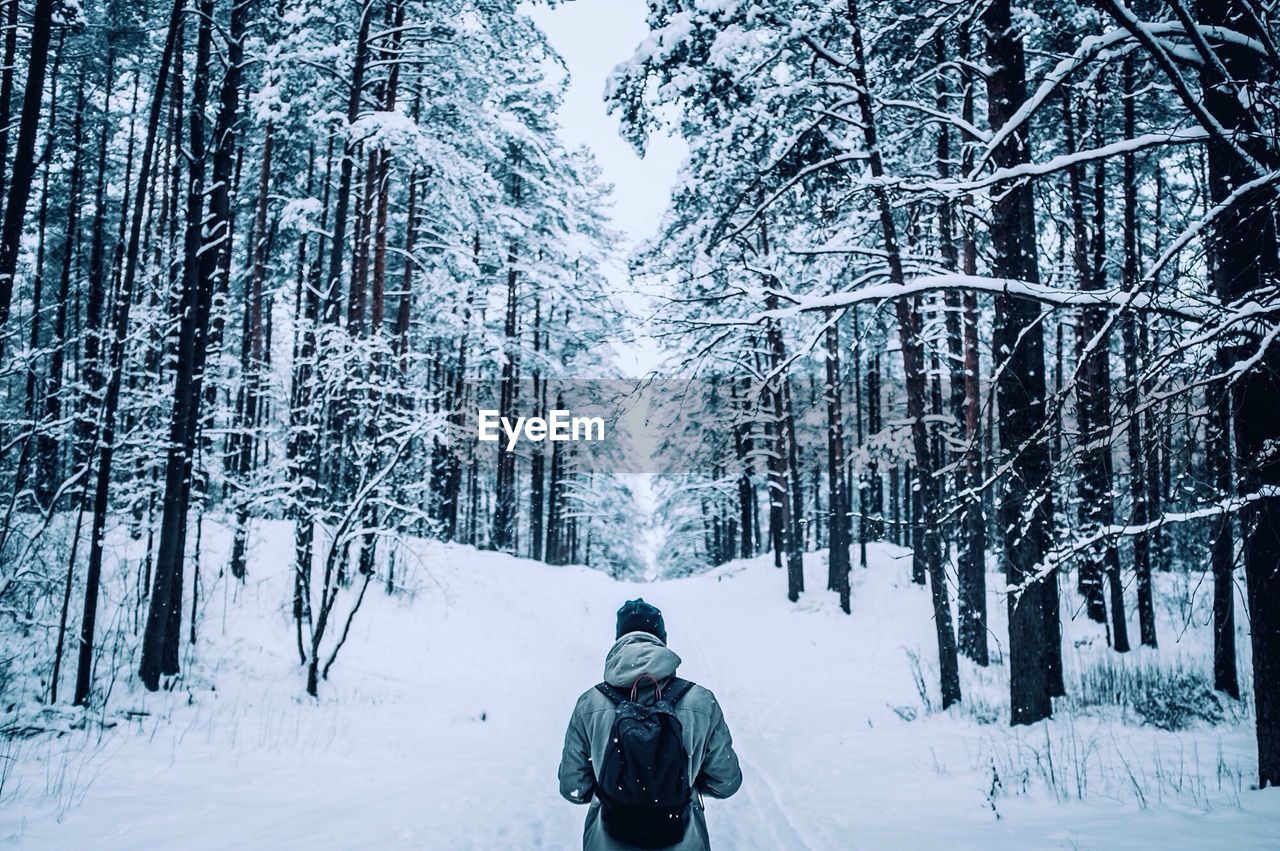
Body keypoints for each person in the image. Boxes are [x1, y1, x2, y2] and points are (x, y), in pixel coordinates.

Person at [558, 599, 742, 850]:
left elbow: (573, 788)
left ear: (618, 639)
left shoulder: (590, 703)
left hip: (607, 840)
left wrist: (617, 789)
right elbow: (726, 783)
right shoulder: (701, 701)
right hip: (682, 840)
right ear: (662, 639)